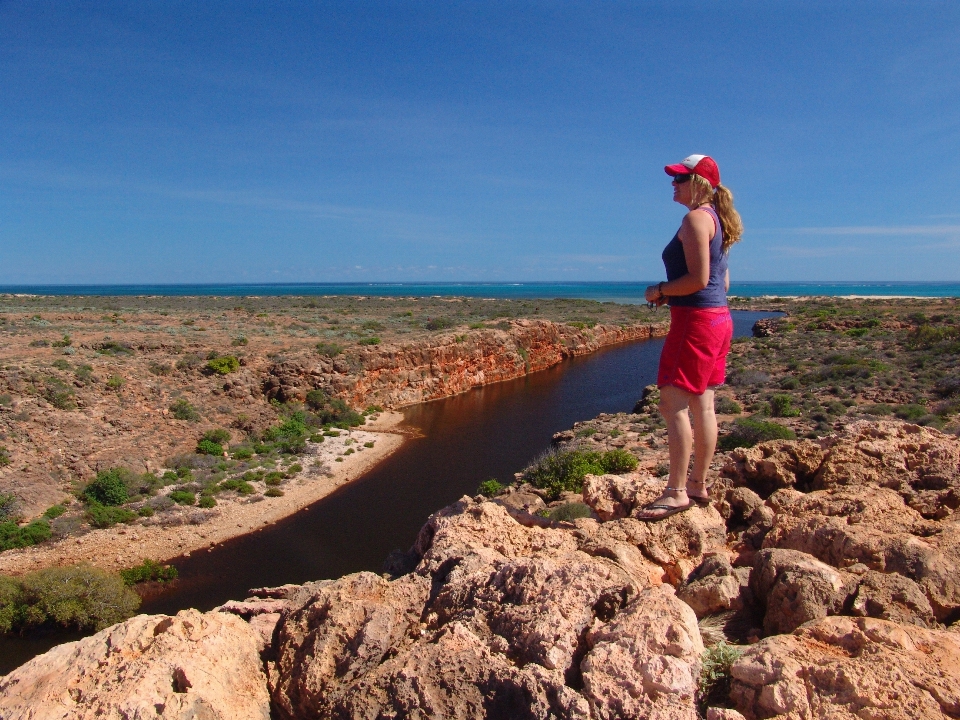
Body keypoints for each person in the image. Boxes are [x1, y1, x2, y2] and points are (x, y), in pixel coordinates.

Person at [637, 154, 743, 521]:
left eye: (680, 178)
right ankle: (697, 485)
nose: (673, 183)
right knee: (704, 405)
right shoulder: (717, 220)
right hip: (718, 319)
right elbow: (721, 282)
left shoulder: (696, 219)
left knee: (672, 403)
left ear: (699, 182)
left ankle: (676, 491)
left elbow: (697, 281)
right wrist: (674, 292)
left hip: (694, 323)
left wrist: (660, 289)